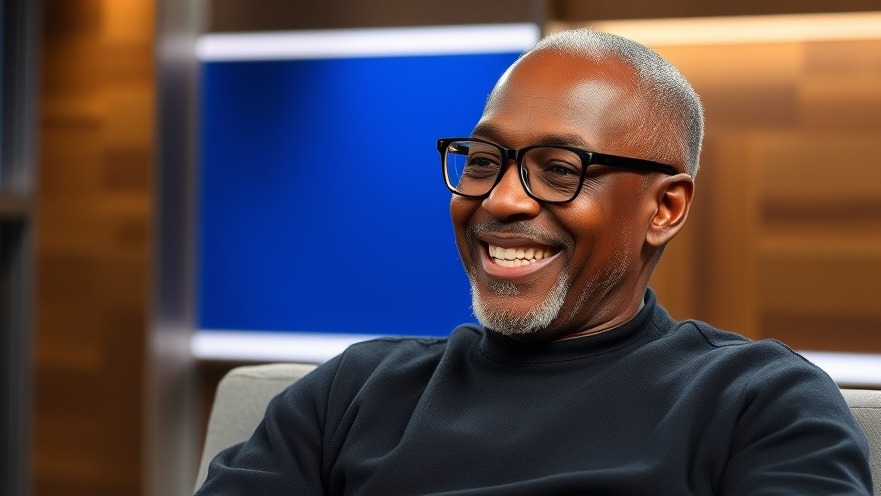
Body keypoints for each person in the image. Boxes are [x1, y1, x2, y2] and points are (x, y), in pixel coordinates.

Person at [195, 29, 872, 495]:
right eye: (483, 161)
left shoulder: (757, 404)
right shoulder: (350, 393)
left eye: (559, 170)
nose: (501, 198)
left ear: (664, 208)